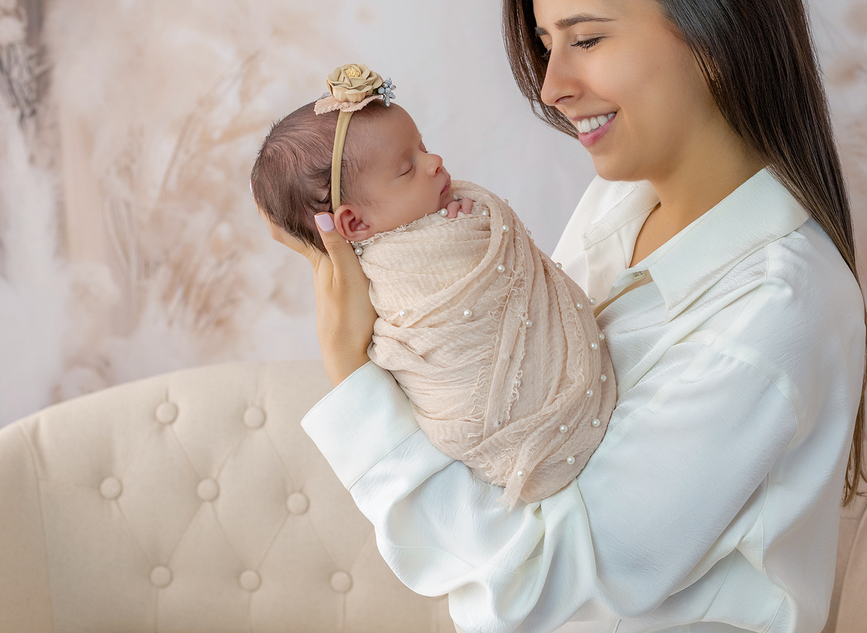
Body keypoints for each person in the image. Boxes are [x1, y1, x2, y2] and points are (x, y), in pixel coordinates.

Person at [267, 0, 867, 633]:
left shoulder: (774, 310)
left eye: (586, 39)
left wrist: (352, 377)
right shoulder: (622, 199)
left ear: (716, 30)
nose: (552, 86)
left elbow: (540, 589)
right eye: (549, 44)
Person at [250, 64, 616, 507]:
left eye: (423, 147)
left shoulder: (448, 219)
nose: (434, 162)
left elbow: (499, 273)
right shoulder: (382, 277)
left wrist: (463, 225)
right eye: (407, 168)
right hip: (478, 424)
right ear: (354, 222)